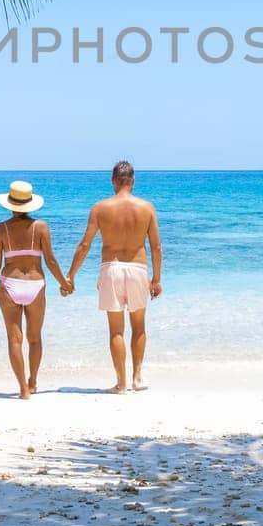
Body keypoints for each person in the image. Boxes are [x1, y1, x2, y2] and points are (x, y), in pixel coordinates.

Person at [63, 161, 162, 393]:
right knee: (139, 326)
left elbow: (85, 244)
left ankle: (121, 383)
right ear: (133, 181)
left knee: (116, 330)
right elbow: (156, 247)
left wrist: (70, 275)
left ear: (113, 181)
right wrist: (156, 278)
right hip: (138, 269)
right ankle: (137, 378)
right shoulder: (147, 208)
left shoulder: (100, 208)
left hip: (111, 268)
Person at [0, 180, 72, 399]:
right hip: (36, 284)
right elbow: (51, 261)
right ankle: (33, 382)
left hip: (9, 283)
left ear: (10, 204)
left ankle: (23, 390)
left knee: (14, 339)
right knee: (34, 337)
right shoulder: (41, 227)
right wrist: (64, 283)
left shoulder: (1, 228)